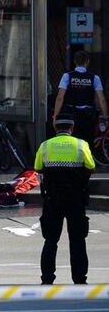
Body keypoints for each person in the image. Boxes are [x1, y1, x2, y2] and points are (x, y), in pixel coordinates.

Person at [34, 116, 95, 285]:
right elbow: (91, 167)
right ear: (72, 128)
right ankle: (80, 279)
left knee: (51, 241)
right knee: (77, 240)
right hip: (76, 198)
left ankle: (47, 279)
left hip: (53, 199)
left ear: (55, 128)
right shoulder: (81, 145)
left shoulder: (45, 146)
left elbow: (38, 167)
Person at [53, 50, 109, 149]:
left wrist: (55, 116)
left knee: (72, 142)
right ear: (87, 62)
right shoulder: (95, 78)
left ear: (75, 61)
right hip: (88, 116)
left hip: (71, 115)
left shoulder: (67, 76)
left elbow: (60, 98)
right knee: (87, 143)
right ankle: (86, 162)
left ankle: (73, 162)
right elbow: (102, 100)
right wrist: (105, 117)